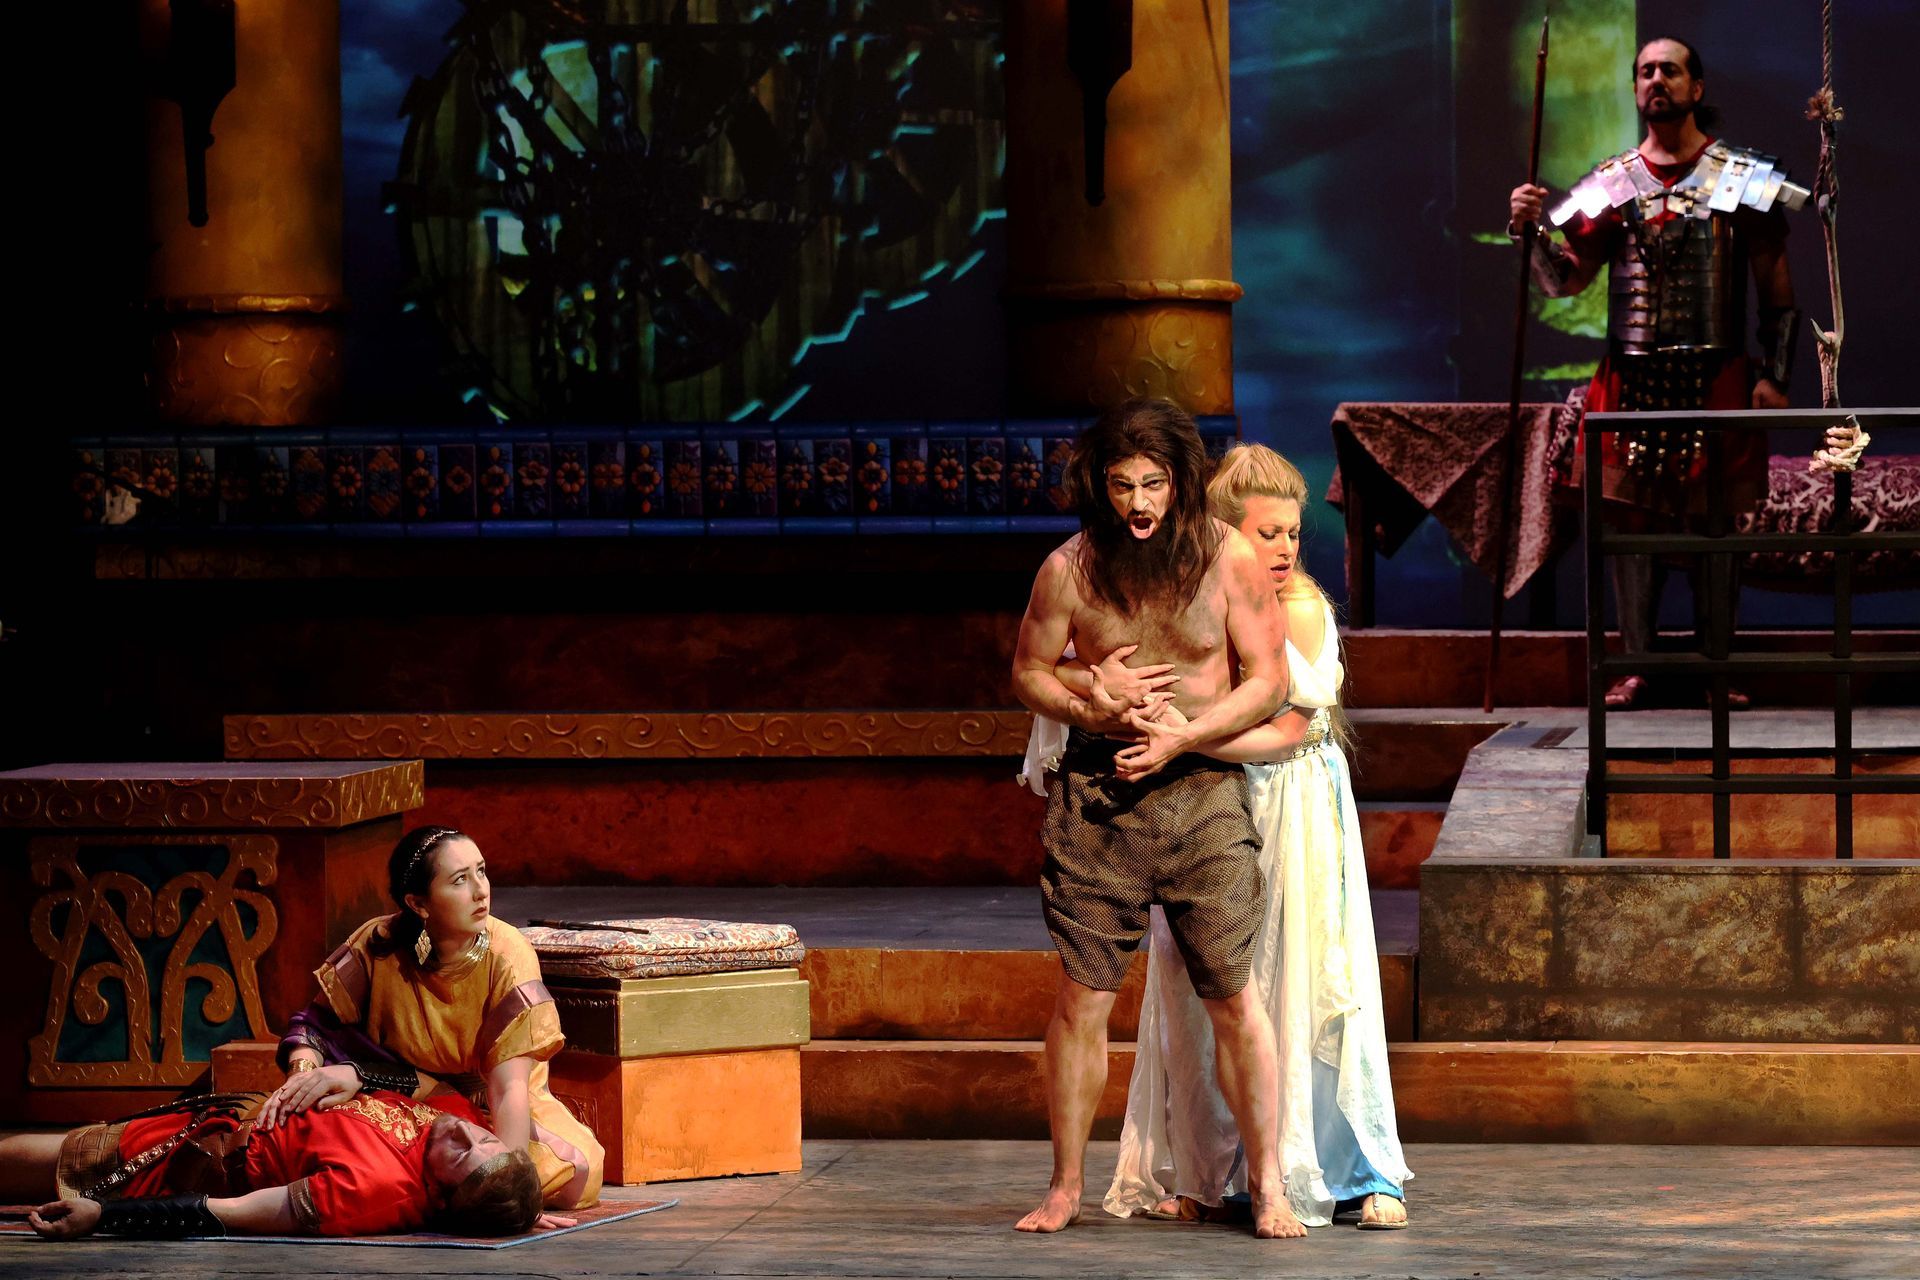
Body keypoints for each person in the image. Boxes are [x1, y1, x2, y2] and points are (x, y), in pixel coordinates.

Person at [1081, 445, 1412, 1230]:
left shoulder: (1298, 606)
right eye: (1269, 534)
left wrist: (1185, 738)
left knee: (1310, 973)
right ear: (1225, 536)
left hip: (1291, 801)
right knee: (1211, 985)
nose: (1286, 549)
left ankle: (1353, 1168)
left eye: (1293, 532)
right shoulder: (1193, 598)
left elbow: (1291, 730)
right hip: (1207, 799)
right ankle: (1213, 1169)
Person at [1009, 397, 1302, 1239]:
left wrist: (1185, 737)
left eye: (1154, 484)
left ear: (1182, 483)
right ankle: (1065, 1185)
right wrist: (1090, 704)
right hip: (1099, 797)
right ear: (1099, 487)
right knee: (1082, 999)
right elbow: (1028, 671)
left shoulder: (1227, 558)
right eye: (1122, 485)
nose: (1139, 504)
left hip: (1201, 790)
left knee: (1233, 997)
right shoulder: (1070, 569)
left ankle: (1270, 1187)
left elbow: (1270, 679)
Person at [1508, 35, 1804, 709]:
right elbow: (1564, 282)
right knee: (1630, 527)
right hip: (1631, 380)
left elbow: (1776, 288)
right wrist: (1531, 236)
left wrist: (1776, 377)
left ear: (1696, 87)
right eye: (1645, 71)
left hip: (1717, 375)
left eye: (1669, 69)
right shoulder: (1612, 184)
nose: (1656, 80)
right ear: (1636, 88)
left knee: (1715, 528)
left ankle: (1716, 668)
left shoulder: (1742, 178)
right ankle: (1636, 666)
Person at [260, 825, 603, 1218]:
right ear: (419, 904)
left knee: (576, 1170)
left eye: (481, 871)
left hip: (487, 1114)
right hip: (396, 1096)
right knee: (328, 1145)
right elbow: (315, 1025)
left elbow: (509, 1090)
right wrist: (302, 1077)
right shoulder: (378, 942)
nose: (481, 891)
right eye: (460, 880)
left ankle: (426, 1191)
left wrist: (508, 1187)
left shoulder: (508, 955)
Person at [2, 1089, 542, 1240]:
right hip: (216, 1117)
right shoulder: (456, 1117)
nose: (465, 1134)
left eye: (465, 1155)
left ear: (443, 1197)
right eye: (485, 1139)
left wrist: (105, 1217)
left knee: (41, 1157)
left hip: (182, 1166)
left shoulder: (378, 1191)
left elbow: (230, 1213)